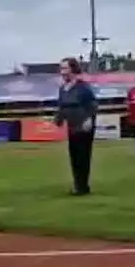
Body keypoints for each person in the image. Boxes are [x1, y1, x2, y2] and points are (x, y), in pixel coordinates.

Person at [53, 57, 99, 195]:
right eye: (61, 69)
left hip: (83, 124)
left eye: (65, 68)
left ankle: (83, 186)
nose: (62, 72)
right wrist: (58, 119)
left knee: (83, 156)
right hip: (71, 126)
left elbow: (93, 105)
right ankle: (77, 184)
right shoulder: (63, 89)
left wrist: (89, 119)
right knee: (74, 156)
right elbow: (62, 107)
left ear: (73, 69)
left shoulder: (82, 87)